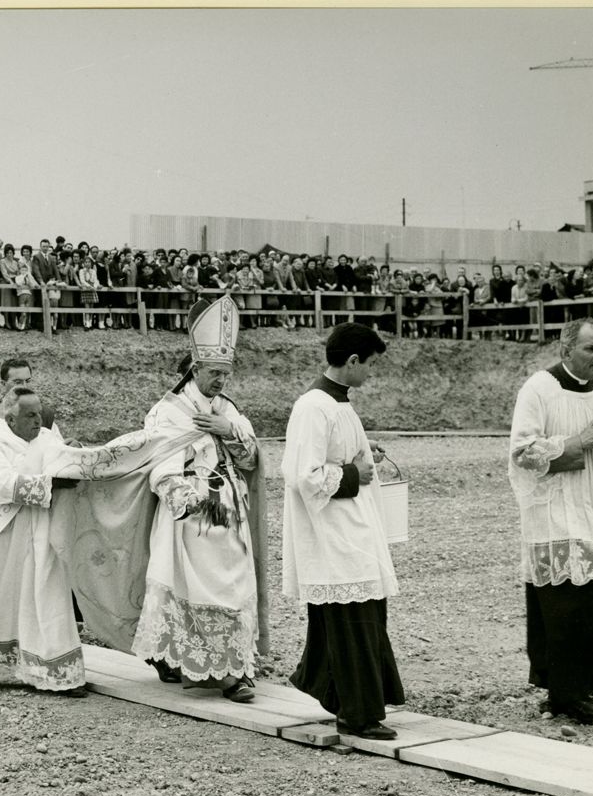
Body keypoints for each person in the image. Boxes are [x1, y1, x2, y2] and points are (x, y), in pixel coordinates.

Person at [130, 296, 267, 701]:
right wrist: (195, 505)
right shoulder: (168, 411)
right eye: (214, 372)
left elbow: (251, 459)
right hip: (194, 516)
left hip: (231, 511)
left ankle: (232, 662)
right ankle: (220, 674)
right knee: (199, 589)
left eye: (226, 373)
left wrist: (228, 430)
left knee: (235, 585)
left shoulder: (227, 408)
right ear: (195, 368)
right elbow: (160, 468)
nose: (221, 381)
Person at [282, 322, 405, 740]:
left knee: (363, 616)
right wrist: (355, 473)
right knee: (351, 621)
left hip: (351, 526)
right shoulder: (313, 407)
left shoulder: (339, 403)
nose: (371, 372)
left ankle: (345, 698)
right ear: (352, 361)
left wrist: (366, 454)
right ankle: (356, 714)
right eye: (370, 364)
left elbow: (340, 454)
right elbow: (305, 475)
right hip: (333, 533)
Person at [509, 319, 593, 725]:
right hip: (556, 510)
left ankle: (584, 689)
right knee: (575, 604)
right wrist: (578, 442)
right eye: (591, 349)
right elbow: (522, 453)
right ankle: (567, 695)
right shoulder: (538, 389)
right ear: (565, 351)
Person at [0, 389, 86, 696]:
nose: (38, 421)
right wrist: (52, 483)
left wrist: (75, 455)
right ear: (10, 419)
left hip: (40, 531)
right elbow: (0, 484)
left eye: (39, 414)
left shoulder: (46, 438)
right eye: (30, 415)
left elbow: (62, 459)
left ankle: (54, 671)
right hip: (1, 532)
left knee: (46, 594)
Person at [0, 359, 58, 437]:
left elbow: (57, 446)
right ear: (3, 384)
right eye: (18, 382)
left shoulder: (45, 415)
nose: (25, 386)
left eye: (28, 381)